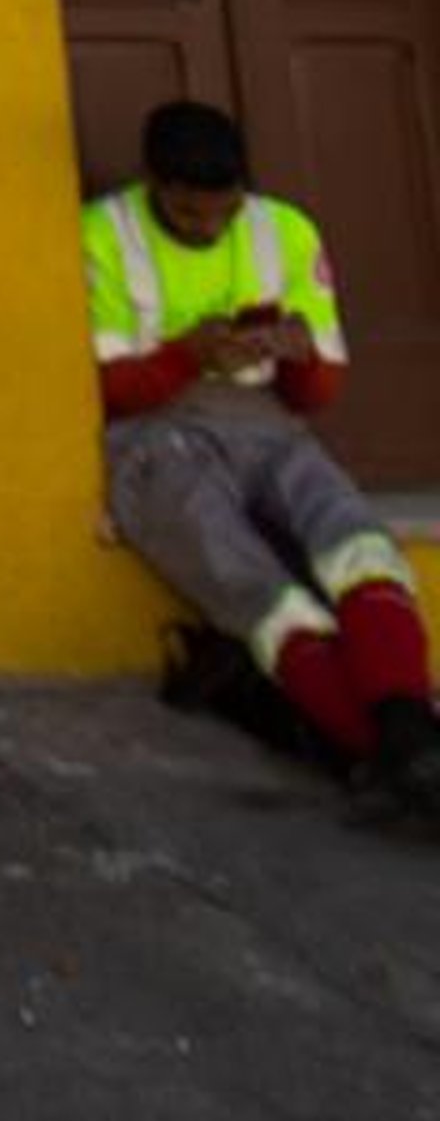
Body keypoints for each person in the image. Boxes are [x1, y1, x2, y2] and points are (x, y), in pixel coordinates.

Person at [89, 99, 440, 820]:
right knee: (256, 587)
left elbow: (319, 393)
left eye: (222, 211)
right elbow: (103, 390)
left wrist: (298, 357)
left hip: (267, 421)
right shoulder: (101, 234)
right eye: (188, 215)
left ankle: (406, 736)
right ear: (155, 185)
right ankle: (386, 748)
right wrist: (188, 356)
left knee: (357, 545)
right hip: (154, 438)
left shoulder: (284, 230)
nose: (208, 227)